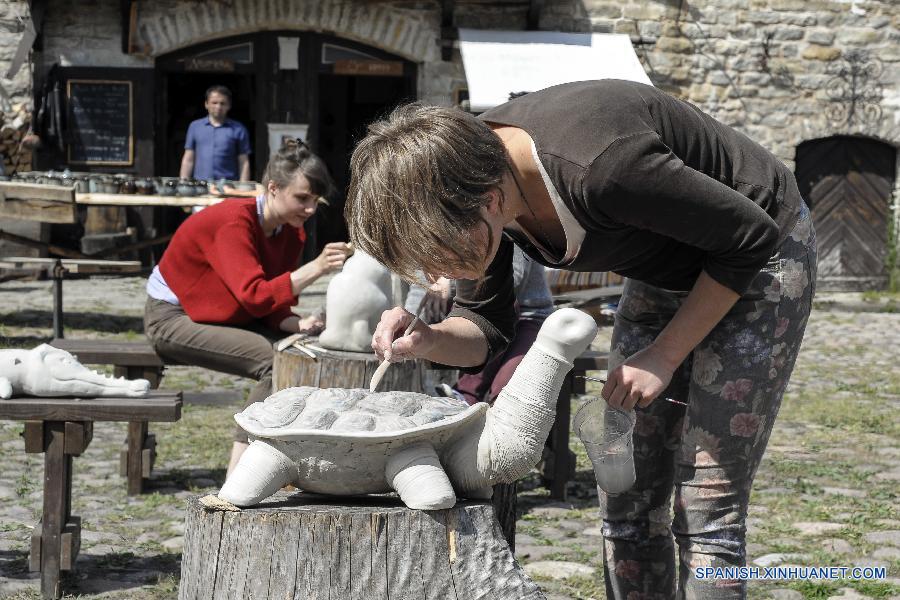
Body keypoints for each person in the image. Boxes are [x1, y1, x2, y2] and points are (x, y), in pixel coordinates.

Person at [345, 80, 816, 599]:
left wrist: (664, 352)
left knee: (707, 507)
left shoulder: (605, 167)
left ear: (492, 201)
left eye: (439, 253)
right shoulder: (472, 173)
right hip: (664, 268)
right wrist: (429, 337)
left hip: (760, 256)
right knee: (626, 498)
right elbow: (488, 329)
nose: (436, 271)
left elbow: (748, 238)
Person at [145, 140, 352, 474]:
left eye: (315, 200)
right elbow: (255, 295)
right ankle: (241, 471)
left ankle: (290, 463)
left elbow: (271, 303)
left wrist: (298, 324)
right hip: (170, 317)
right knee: (276, 362)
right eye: (302, 198)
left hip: (222, 316)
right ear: (273, 188)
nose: (311, 209)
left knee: (301, 353)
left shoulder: (289, 233)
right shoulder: (234, 221)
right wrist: (317, 267)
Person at [180, 85, 251, 182]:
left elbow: (244, 162)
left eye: (222, 103)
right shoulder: (195, 127)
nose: (218, 106)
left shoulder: (238, 129)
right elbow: (188, 159)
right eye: (214, 103)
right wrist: (183, 183)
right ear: (206, 104)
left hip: (229, 185)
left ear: (229, 105)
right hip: (201, 185)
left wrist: (243, 187)